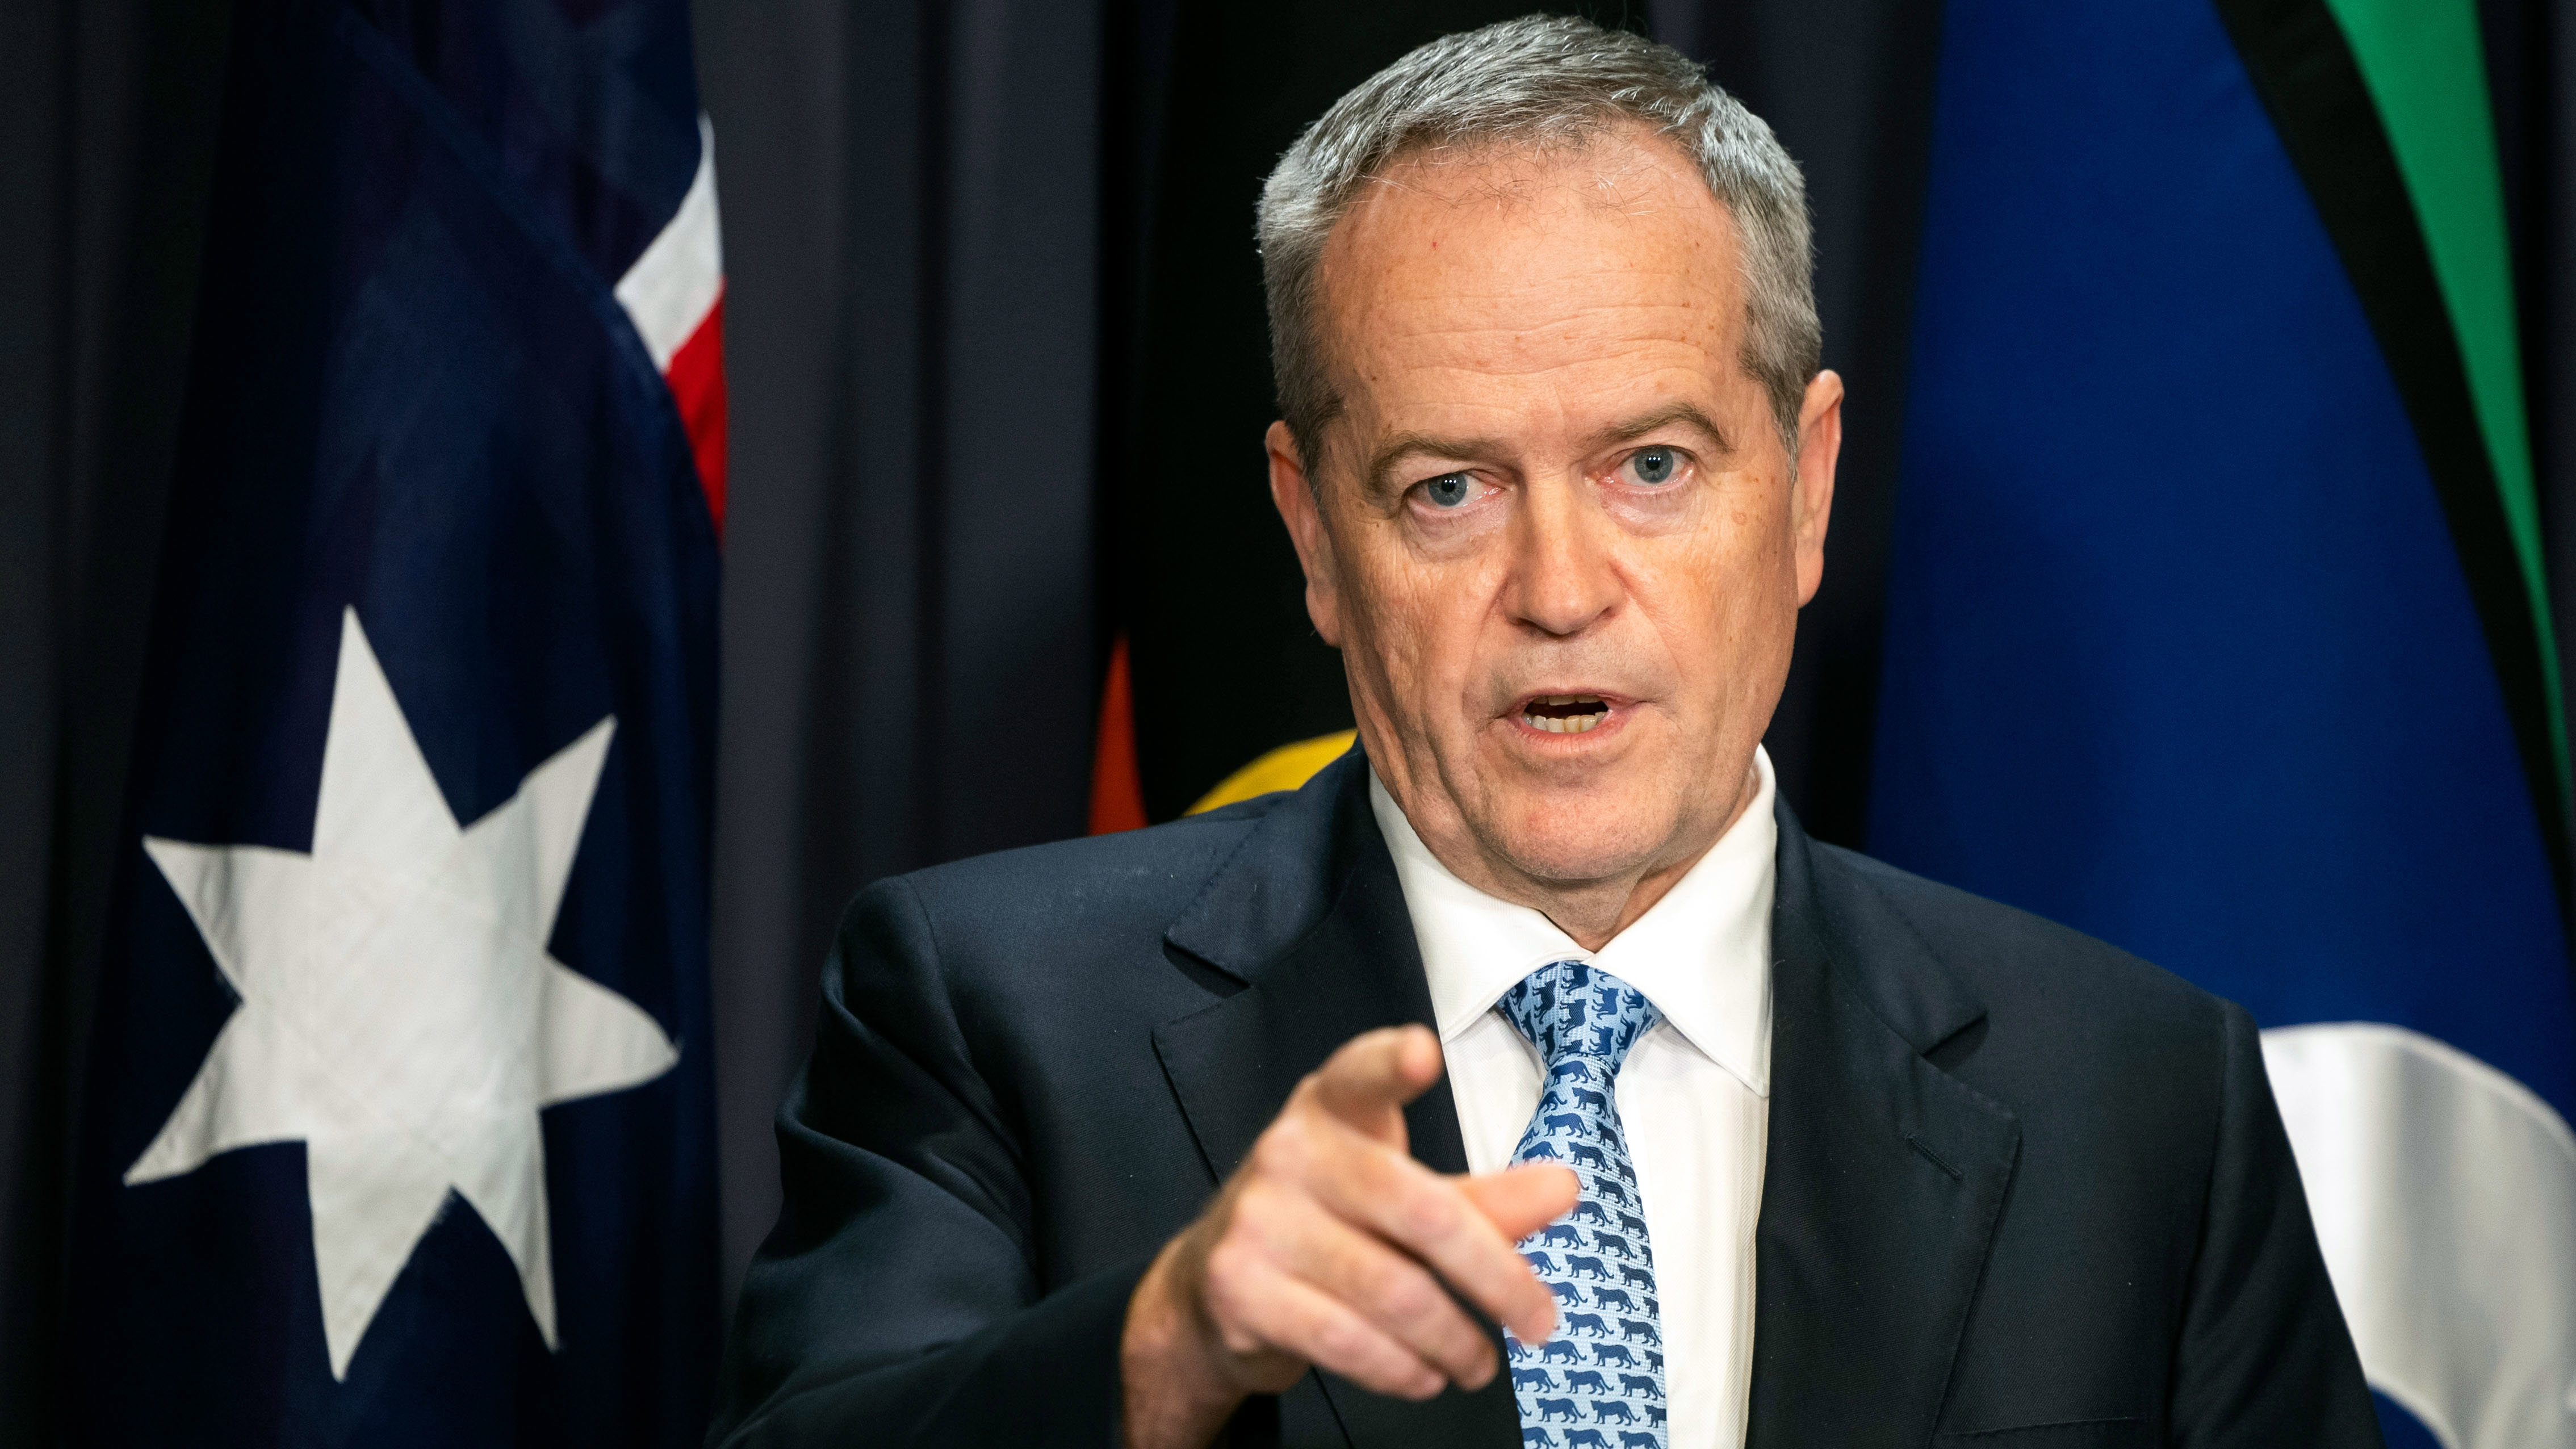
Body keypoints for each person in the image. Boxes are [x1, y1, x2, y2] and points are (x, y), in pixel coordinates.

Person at [707, 16, 2380, 1448]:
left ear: (1801, 492)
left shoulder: (2141, 1099)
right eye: (1449, 490)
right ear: (1312, 540)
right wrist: (1158, 1352)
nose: (1558, 588)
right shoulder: (988, 1013)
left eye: (1650, 467)